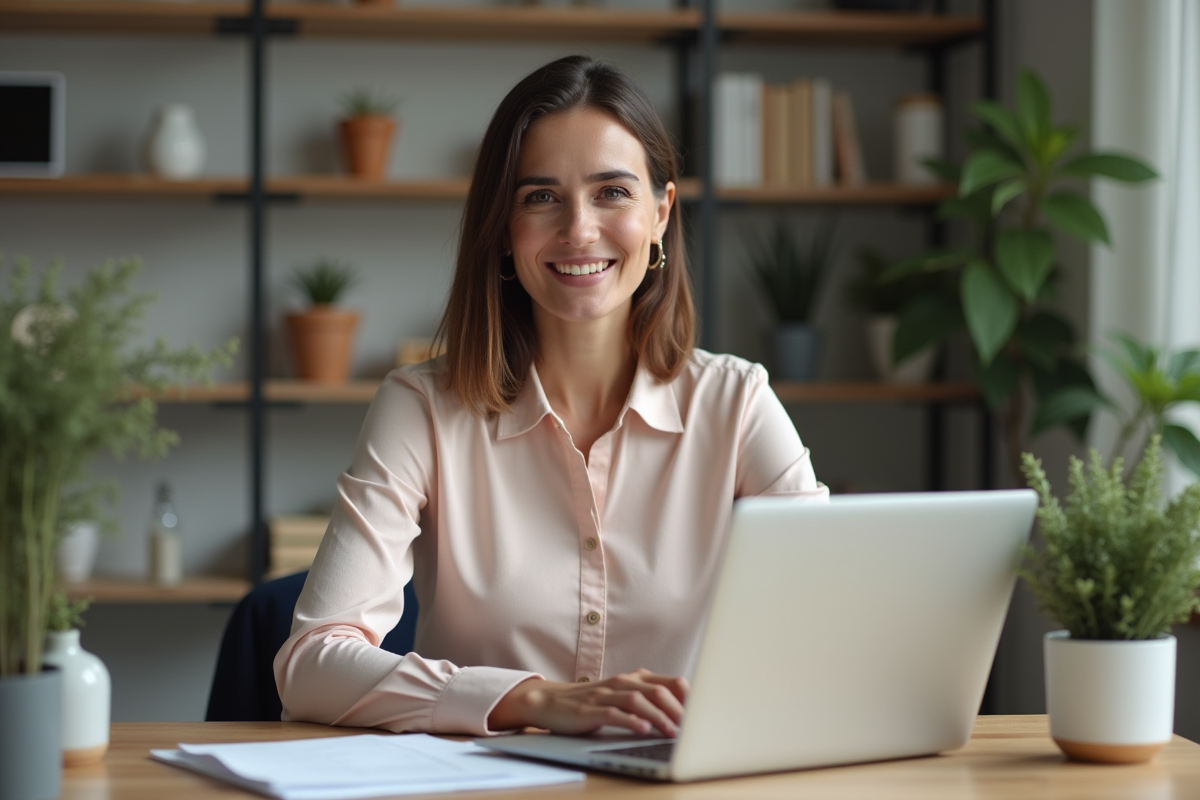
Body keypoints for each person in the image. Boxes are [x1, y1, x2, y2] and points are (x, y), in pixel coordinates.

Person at [274, 55, 828, 739]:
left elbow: (829, 633)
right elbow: (311, 664)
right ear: (503, 230)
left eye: (612, 193)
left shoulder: (738, 404)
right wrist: (532, 700)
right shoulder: (420, 407)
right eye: (540, 197)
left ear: (661, 212)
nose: (579, 230)